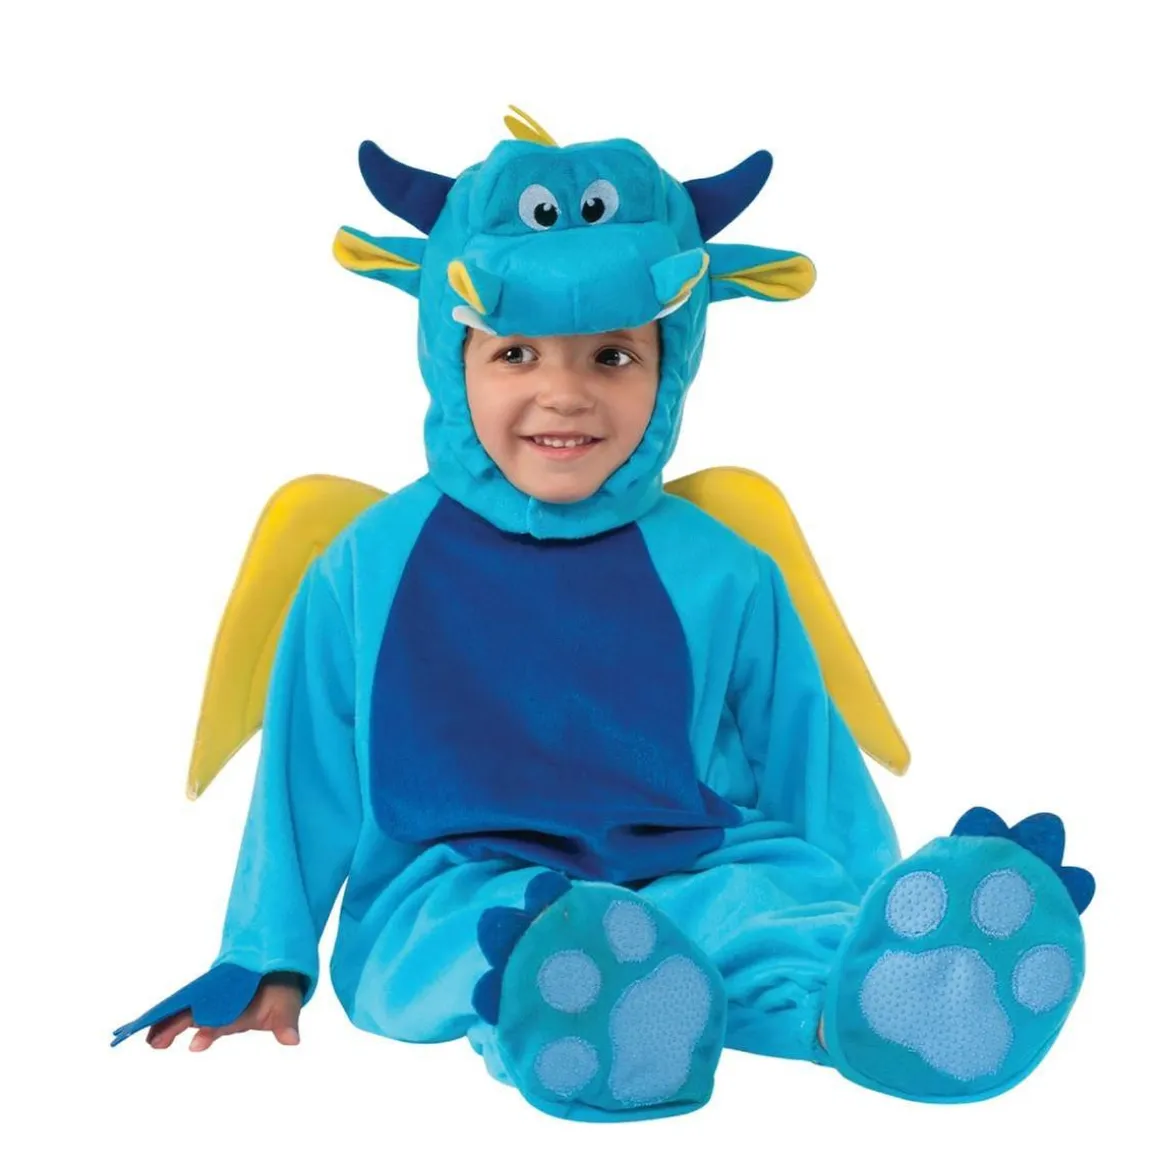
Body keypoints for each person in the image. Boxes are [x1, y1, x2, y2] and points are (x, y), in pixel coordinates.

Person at [112, 107, 1094, 1121]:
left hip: (694, 851)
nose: (565, 396)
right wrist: (266, 954)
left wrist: (875, 910)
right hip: (455, 875)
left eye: (611, 357)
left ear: (671, 361)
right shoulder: (364, 564)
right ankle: (578, 1010)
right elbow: (306, 771)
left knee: (767, 909)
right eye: (515, 354)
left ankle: (876, 1004)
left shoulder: (725, 566)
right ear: (451, 356)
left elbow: (808, 756)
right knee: (494, 944)